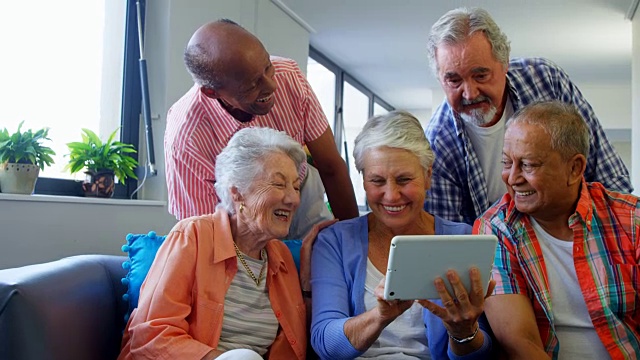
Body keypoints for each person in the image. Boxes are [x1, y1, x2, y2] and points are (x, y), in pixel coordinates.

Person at [119, 127, 335, 360]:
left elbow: (299, 346)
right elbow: (151, 335)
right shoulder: (192, 236)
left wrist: (306, 282)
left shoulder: (280, 258)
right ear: (237, 193)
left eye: (295, 186)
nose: (293, 199)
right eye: (279, 184)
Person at [310, 110, 495, 360]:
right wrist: (380, 316)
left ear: (428, 176)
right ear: (363, 180)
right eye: (377, 181)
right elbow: (325, 344)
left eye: (404, 179)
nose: (391, 195)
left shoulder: (462, 238)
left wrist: (463, 331)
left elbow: (480, 354)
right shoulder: (336, 241)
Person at [423, 7, 633, 225]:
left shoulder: (546, 81)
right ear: (440, 79)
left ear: (504, 64)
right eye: (454, 80)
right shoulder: (438, 144)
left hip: (581, 230)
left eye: (481, 75)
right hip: (500, 251)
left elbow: (608, 177)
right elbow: (454, 238)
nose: (470, 93)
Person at [164, 19, 359, 239]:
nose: (272, 86)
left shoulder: (289, 76)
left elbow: (331, 166)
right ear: (213, 92)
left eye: (268, 67)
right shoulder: (186, 137)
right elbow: (205, 230)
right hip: (239, 214)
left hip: (301, 189)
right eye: (252, 85)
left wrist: (354, 241)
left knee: (326, 255)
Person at [475, 101, 640, 359]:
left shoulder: (632, 219)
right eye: (507, 163)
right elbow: (520, 342)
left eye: (528, 165)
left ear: (574, 168)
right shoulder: (495, 228)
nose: (512, 177)